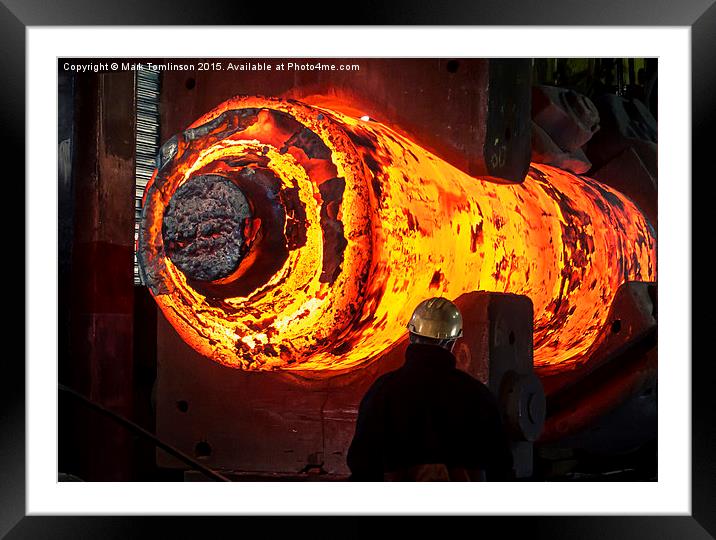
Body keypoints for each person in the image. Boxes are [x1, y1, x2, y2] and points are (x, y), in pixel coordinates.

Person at [347, 297, 514, 481]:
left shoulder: (382, 392)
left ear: (411, 337)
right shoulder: (478, 396)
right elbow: (501, 467)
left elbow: (362, 467)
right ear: (452, 343)